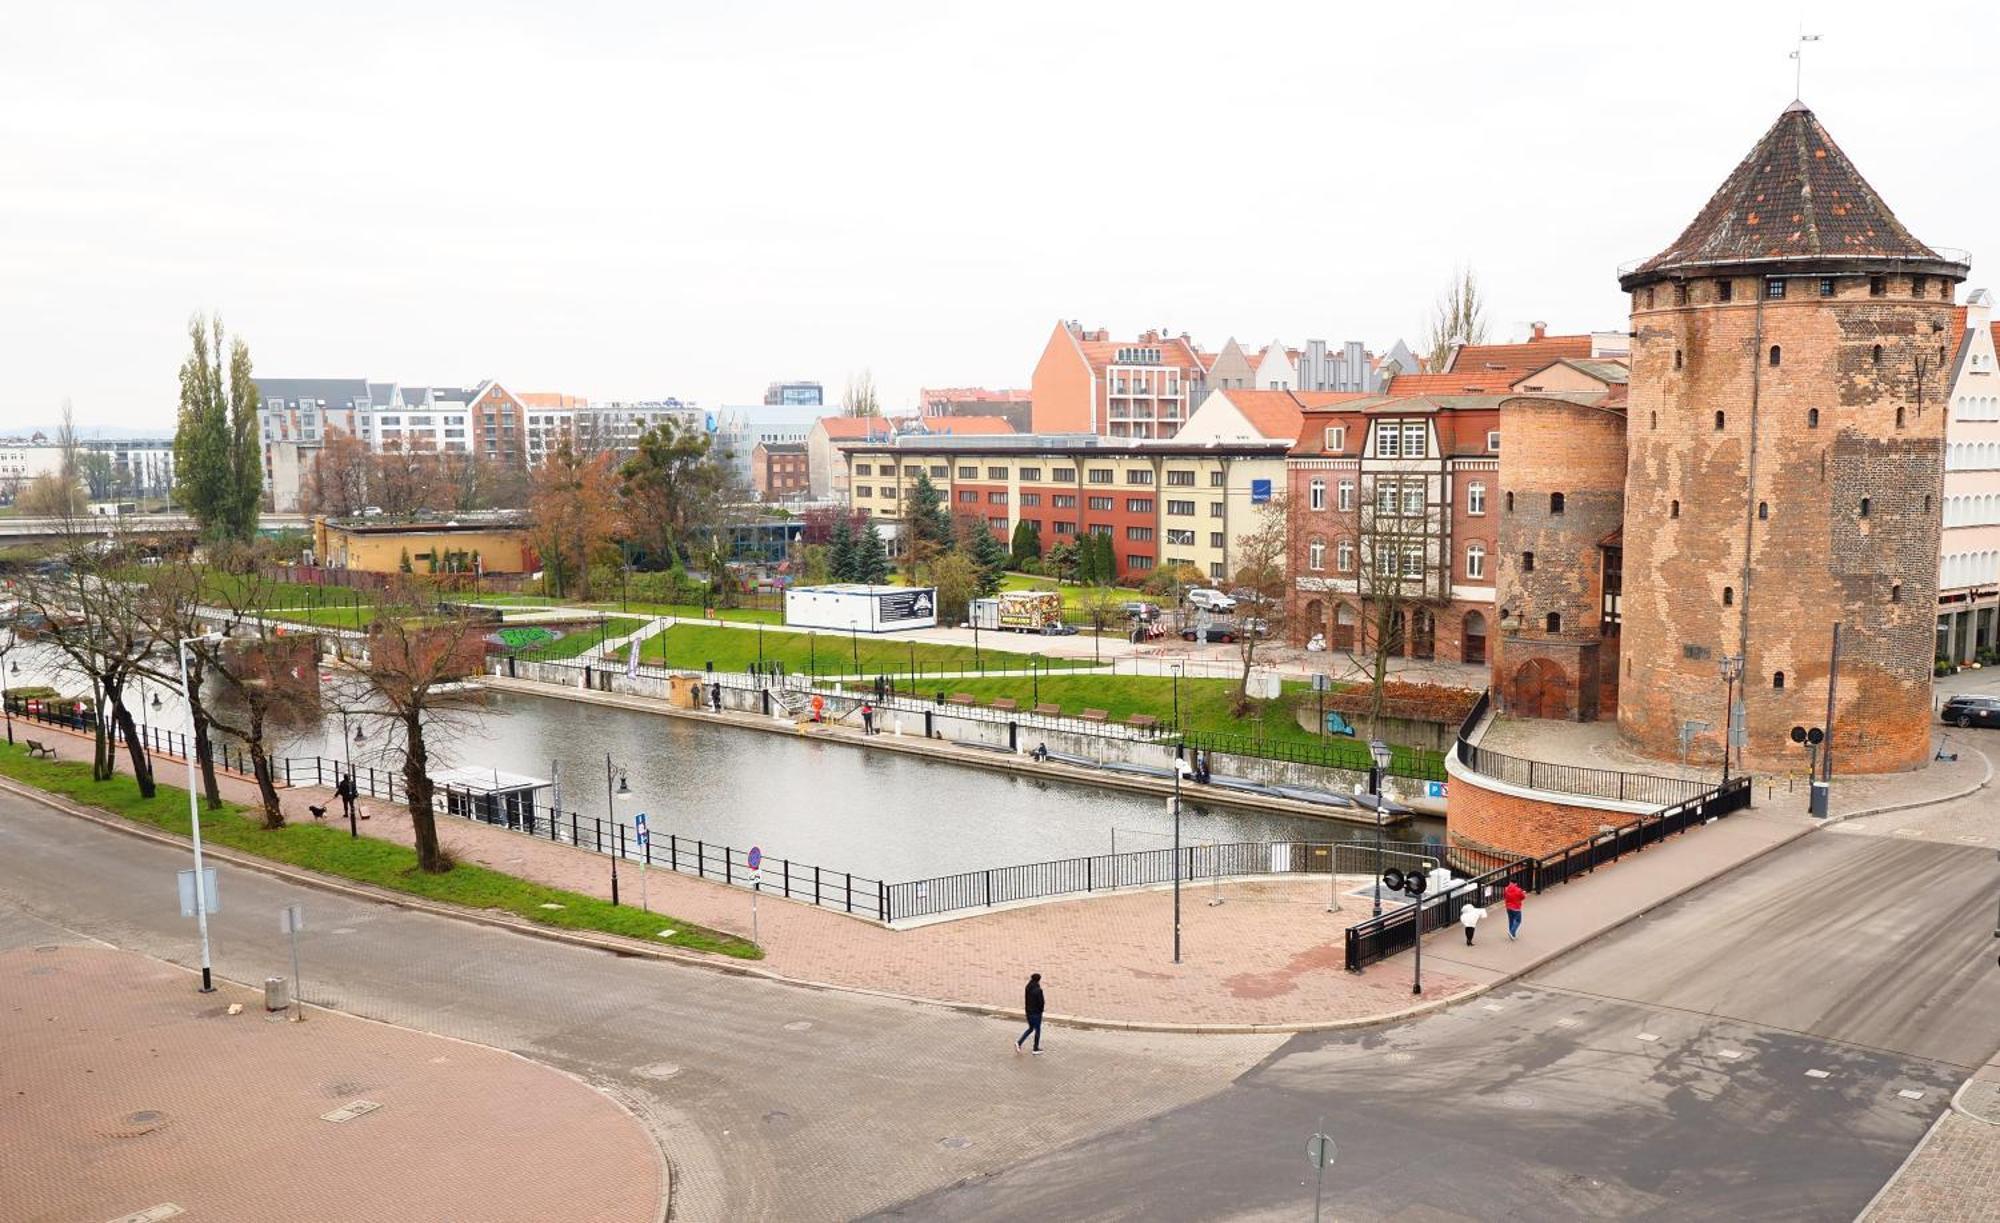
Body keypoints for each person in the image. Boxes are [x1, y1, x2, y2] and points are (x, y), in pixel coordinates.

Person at [1015, 972, 1045, 1055]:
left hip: (1028, 1011)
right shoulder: (1038, 990)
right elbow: (1041, 1002)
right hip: (1036, 1013)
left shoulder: (1028, 987)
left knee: (1031, 1028)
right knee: (1037, 1030)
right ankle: (1035, 1048)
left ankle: (1019, 1042)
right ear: (1039, 980)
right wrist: (1041, 1010)